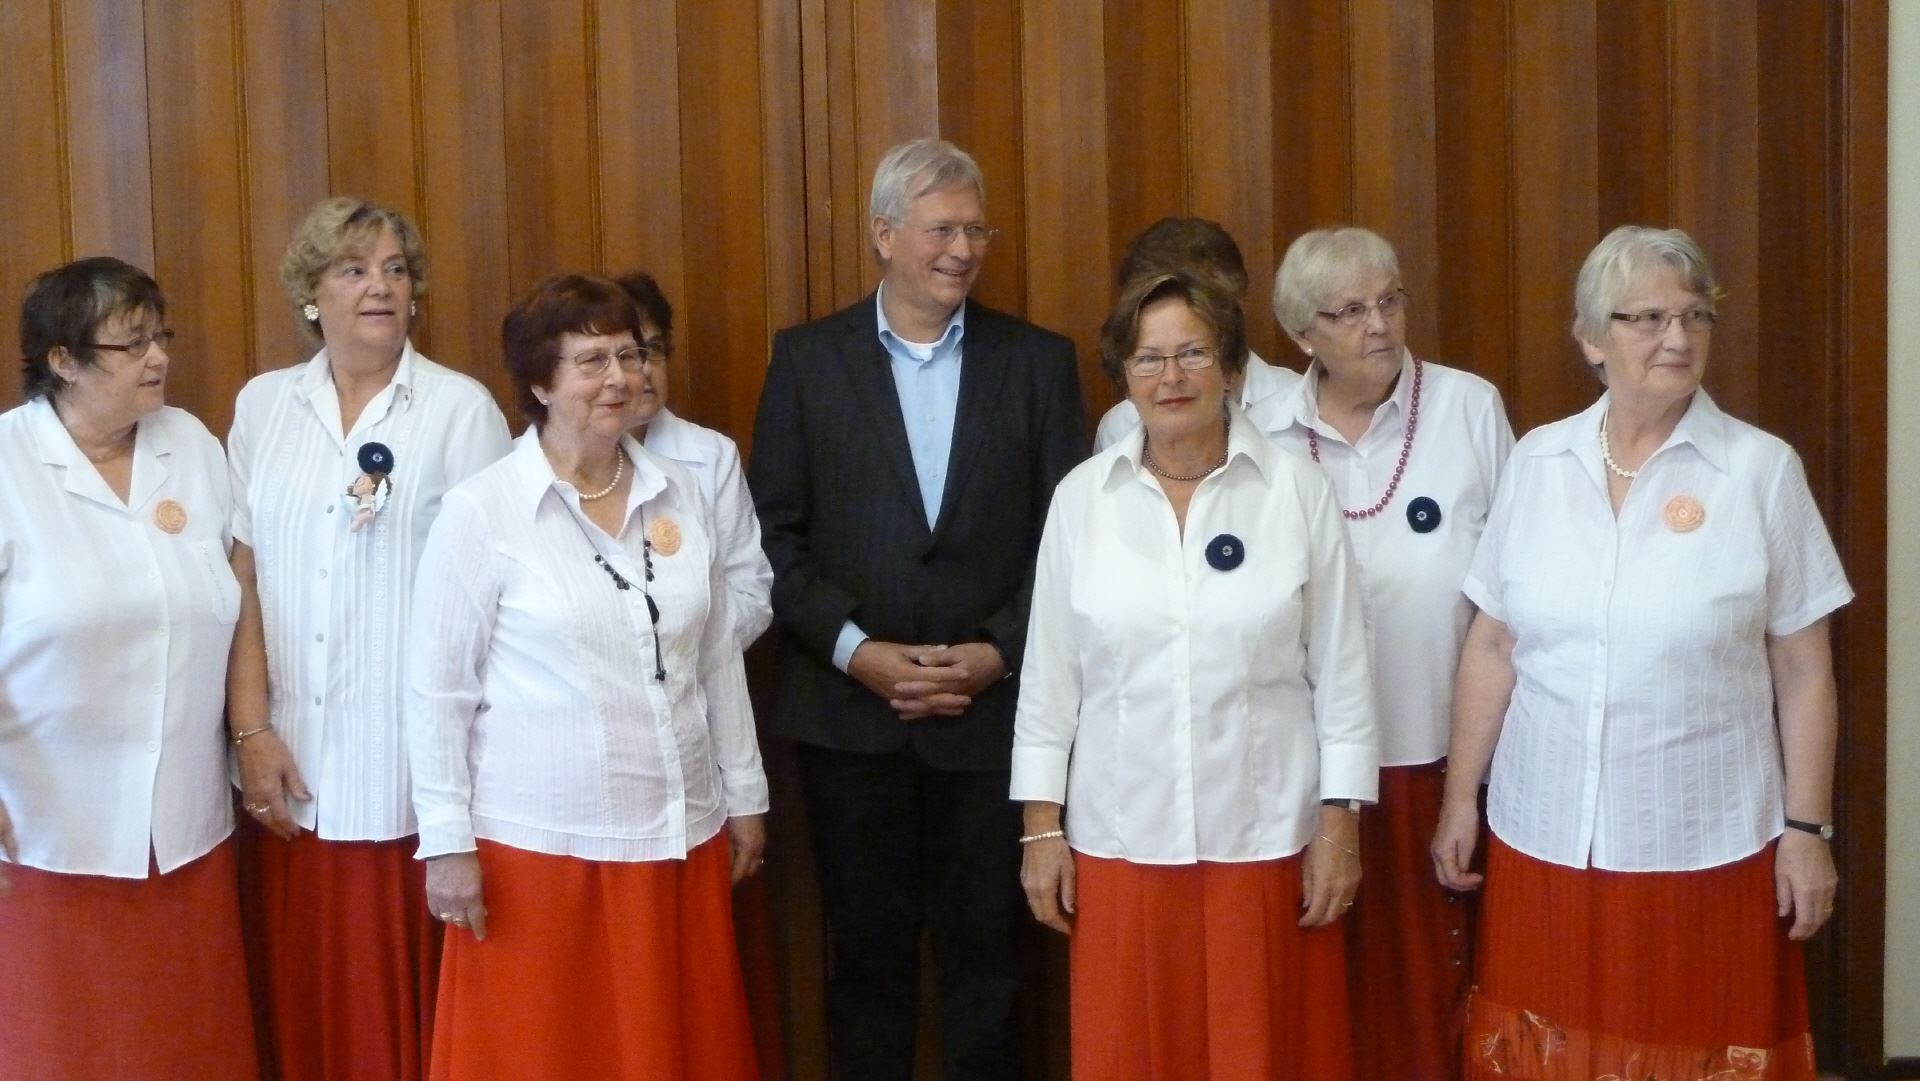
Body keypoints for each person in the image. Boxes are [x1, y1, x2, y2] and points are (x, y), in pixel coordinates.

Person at [1431, 226, 1850, 1080]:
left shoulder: (1760, 471)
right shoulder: (1537, 461)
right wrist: (1459, 798)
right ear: (1592, 338)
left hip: (1704, 842)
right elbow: (1495, 642)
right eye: (1649, 318)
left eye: (1695, 316)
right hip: (1545, 836)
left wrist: (1808, 830)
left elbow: (1805, 669)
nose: (1678, 337)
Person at [749, 137, 1086, 1080]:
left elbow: (1071, 543)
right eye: (943, 229)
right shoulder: (809, 361)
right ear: (884, 234)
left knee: (991, 968)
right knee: (867, 967)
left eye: (977, 229)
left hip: (994, 722)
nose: (963, 248)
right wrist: (857, 649)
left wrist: (996, 652)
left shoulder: (1037, 363)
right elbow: (771, 535)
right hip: (851, 722)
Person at [1014, 270, 1378, 1080]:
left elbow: (1343, 675)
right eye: (1148, 358)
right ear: (1124, 375)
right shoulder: (1082, 499)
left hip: (1266, 841)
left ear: (1233, 368)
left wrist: (1339, 824)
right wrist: (1041, 828)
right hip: (1121, 842)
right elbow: (1048, 681)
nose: (1170, 377)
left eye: (1193, 353)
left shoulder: (1297, 490)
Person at [408, 273, 767, 1080]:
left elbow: (715, 655)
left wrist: (745, 794)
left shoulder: (681, 492)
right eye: (592, 361)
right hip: (540, 855)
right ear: (540, 383)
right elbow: (437, 691)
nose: (620, 378)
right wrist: (447, 842)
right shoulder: (482, 511)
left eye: (630, 356)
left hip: (679, 835)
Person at [225, 195, 511, 1081]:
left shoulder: (460, 411)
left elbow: (497, 602)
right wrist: (251, 730)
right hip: (290, 769)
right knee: (306, 1014)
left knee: (403, 1026)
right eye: (353, 270)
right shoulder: (264, 405)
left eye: (395, 270)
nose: (379, 286)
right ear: (310, 295)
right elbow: (242, 578)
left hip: (407, 779)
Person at [1251, 225, 1513, 1079]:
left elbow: (1515, 591)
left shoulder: (1468, 409)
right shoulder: (1261, 433)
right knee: (1330, 995)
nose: (1380, 324)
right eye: (1351, 310)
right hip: (1307, 774)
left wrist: (1468, 784)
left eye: (1390, 299)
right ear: (1303, 334)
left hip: (1442, 756)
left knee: (1435, 994)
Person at [0, 257, 257, 1078]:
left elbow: (239, 593)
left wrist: (253, 732)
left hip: (184, 831)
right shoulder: (8, 463)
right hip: (49, 834)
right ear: (63, 361)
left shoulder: (191, 444)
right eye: (131, 343)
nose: (158, 358)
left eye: (159, 337)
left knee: (188, 1044)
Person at [615, 271, 772, 651]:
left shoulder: (712, 454)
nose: (645, 369)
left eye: (653, 349)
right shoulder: (539, 460)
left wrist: (674, 655)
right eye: (628, 355)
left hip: (698, 671)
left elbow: (750, 593)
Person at [1092, 216, 1298, 451]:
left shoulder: (1300, 407)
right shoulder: (1119, 426)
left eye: (1198, 300)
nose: (1172, 377)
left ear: (1237, 301)